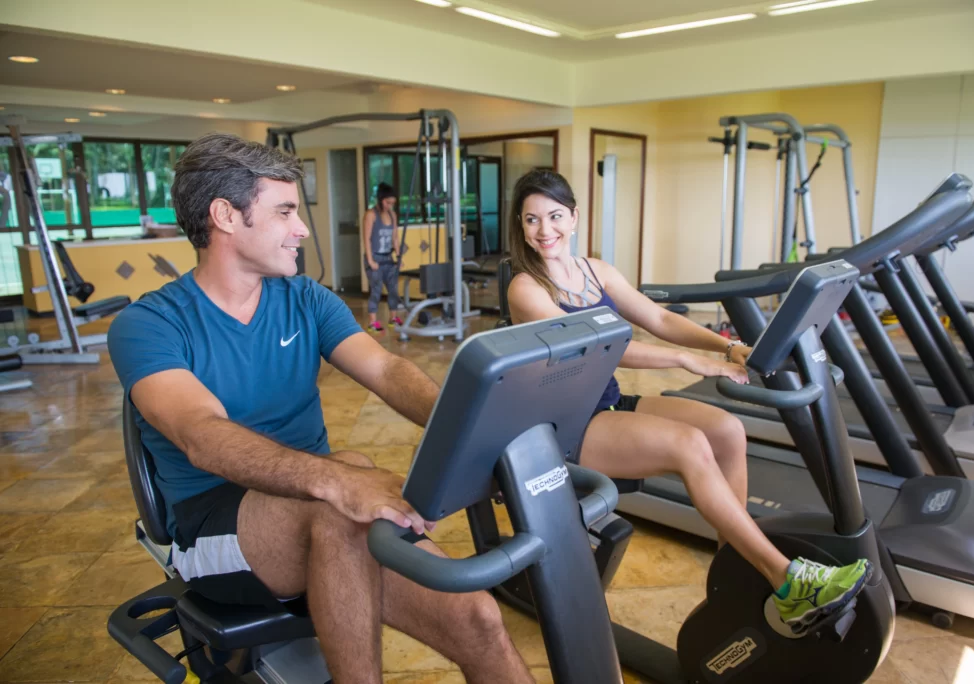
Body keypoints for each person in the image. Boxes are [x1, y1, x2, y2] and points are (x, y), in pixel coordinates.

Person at [107, 134, 532, 684]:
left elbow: (387, 371)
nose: (302, 229)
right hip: (213, 521)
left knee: (477, 619)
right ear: (225, 216)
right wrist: (335, 481)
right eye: (284, 211)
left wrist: (474, 432)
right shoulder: (150, 324)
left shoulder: (306, 298)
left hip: (325, 514)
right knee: (341, 490)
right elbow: (201, 434)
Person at [505, 169, 870, 635]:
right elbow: (597, 348)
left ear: (574, 217)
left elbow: (658, 318)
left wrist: (726, 347)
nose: (544, 230)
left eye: (555, 216)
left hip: (610, 403)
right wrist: (686, 360)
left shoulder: (596, 271)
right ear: (521, 226)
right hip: (565, 427)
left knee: (726, 431)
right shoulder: (526, 288)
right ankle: (786, 580)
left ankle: (735, 575)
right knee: (689, 445)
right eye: (532, 219)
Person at [364, 182, 403, 332]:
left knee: (393, 289)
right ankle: (372, 322)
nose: (390, 206)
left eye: (392, 203)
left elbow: (395, 238)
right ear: (381, 199)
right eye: (387, 202)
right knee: (376, 290)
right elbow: (367, 239)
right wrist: (370, 260)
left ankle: (393, 318)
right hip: (375, 258)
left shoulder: (392, 215)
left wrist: (398, 256)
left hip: (388, 258)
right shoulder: (371, 215)